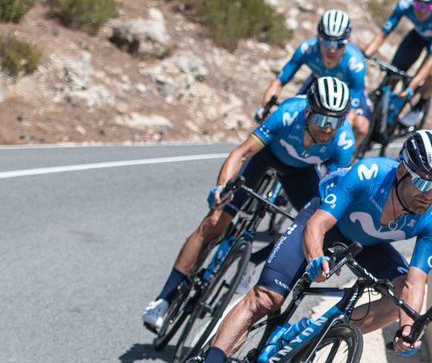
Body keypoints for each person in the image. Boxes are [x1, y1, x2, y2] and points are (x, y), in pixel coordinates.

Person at [177, 129, 432, 363]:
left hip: (368, 244)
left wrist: (408, 329)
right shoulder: (369, 173)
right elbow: (317, 226)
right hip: (323, 224)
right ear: (402, 171)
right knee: (266, 298)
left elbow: (416, 281)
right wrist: (315, 258)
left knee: (398, 301)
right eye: (423, 181)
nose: (430, 193)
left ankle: (314, 335)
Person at [142, 77, 357, 334]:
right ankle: (164, 299)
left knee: (308, 228)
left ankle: (254, 260)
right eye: (322, 120)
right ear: (308, 111)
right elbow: (241, 153)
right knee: (214, 222)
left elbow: (331, 195)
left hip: (298, 174)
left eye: (336, 121)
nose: (327, 129)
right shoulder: (288, 114)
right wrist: (222, 188)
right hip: (264, 158)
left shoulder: (343, 141)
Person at [257, 9, 371, 154]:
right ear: (318, 38)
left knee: (361, 128)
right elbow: (278, 82)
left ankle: (346, 157)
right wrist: (265, 108)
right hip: (318, 84)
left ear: (348, 41)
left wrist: (333, 140)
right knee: (297, 117)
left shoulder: (355, 65)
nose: (331, 50)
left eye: (339, 44)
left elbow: (351, 114)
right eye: (326, 42)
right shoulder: (307, 49)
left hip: (347, 92)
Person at [362, 0, 432, 132]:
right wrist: (364, 56)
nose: (421, 10)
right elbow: (383, 33)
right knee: (394, 72)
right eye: (418, 4)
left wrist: (410, 88)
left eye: (426, 7)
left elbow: (430, 59)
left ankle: (420, 104)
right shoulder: (405, 4)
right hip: (419, 34)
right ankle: (383, 112)